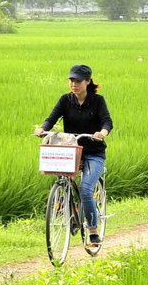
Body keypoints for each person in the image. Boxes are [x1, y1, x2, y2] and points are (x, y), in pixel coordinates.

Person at [34, 64, 112, 247]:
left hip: (93, 153)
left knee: (86, 189)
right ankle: (65, 205)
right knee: (61, 178)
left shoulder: (98, 101)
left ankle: (93, 231)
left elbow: (107, 121)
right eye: (71, 80)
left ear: (87, 81)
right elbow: (51, 119)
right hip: (71, 151)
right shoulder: (65, 100)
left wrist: (102, 133)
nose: (73, 84)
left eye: (77, 81)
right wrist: (42, 129)